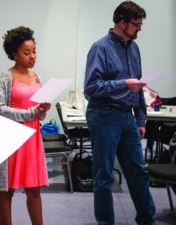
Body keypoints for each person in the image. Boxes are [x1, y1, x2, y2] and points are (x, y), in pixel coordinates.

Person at [84, 1, 156, 225]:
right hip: (104, 114)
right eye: (136, 24)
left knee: (138, 173)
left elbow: (140, 86)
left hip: (128, 117)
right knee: (104, 176)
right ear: (122, 22)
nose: (139, 29)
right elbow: (91, 88)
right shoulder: (101, 47)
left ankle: (147, 220)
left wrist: (141, 119)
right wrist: (123, 84)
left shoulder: (134, 48)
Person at [0, 26, 51, 225]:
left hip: (32, 138)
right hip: (11, 139)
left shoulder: (37, 77)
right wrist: (32, 112)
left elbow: (39, 115)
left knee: (34, 190)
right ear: (14, 54)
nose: (32, 56)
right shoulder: (7, 76)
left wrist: (42, 111)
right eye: (26, 52)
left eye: (34, 51)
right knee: (7, 190)